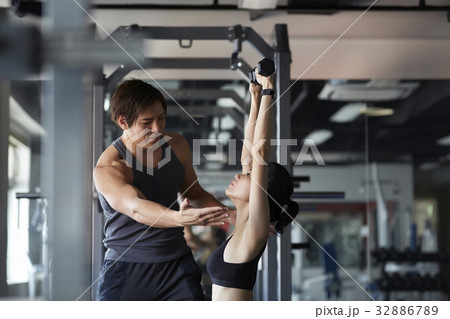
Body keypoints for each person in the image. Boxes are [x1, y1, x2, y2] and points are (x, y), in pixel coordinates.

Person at [93, 79, 234, 301]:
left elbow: (194, 193)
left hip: (176, 264)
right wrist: (179, 218)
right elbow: (137, 208)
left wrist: (234, 215)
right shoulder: (109, 167)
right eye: (147, 123)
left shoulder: (176, 145)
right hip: (127, 268)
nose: (157, 129)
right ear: (123, 122)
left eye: (161, 119)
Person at [206, 68, 299, 301]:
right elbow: (248, 157)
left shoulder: (255, 228)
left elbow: (258, 153)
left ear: (261, 189)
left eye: (248, 176)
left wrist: (269, 90)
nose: (239, 174)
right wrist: (255, 97)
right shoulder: (241, 224)